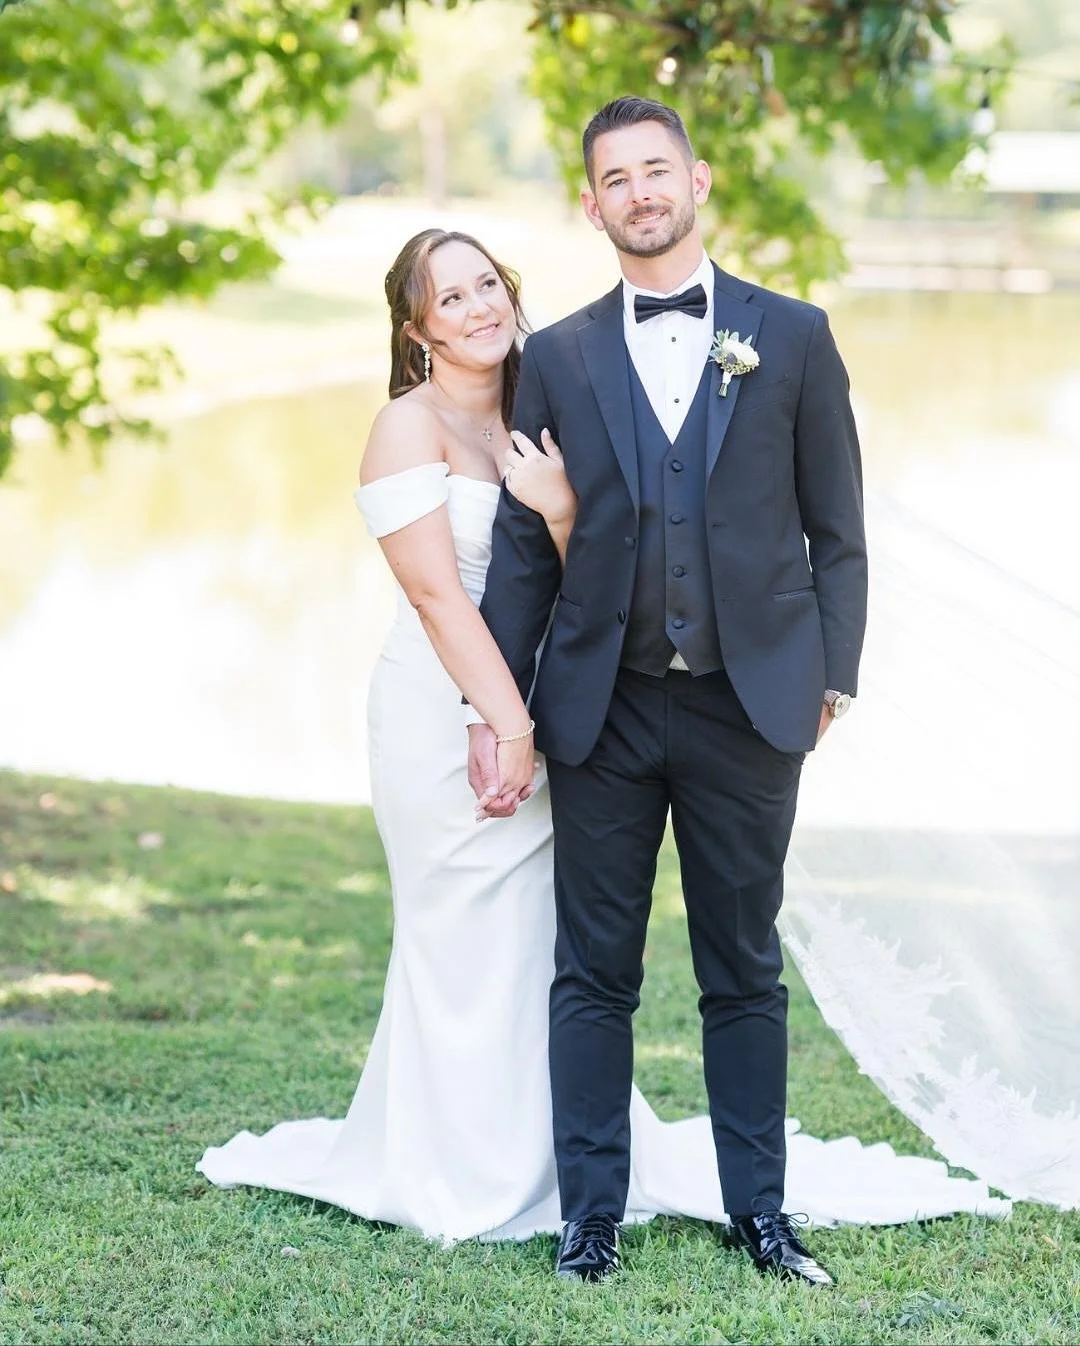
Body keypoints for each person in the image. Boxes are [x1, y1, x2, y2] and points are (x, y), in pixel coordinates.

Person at [195, 222, 1008, 1254]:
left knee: (542, 942)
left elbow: (621, 567)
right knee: (462, 940)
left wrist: (568, 517)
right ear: (416, 328)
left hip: (551, 705)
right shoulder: (406, 428)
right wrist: (504, 722)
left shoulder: (558, 385)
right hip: (453, 710)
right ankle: (457, 1167)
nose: (479, 306)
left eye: (487, 283)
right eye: (451, 297)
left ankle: (557, 1166)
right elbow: (441, 598)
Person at [473, 95, 865, 1285]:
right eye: (615, 177)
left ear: (698, 182)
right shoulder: (554, 357)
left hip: (754, 709)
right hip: (603, 705)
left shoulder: (792, 334)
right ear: (589, 204)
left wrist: (830, 679)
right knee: (593, 970)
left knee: (742, 965)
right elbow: (527, 547)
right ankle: (588, 1216)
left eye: (658, 170)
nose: (639, 192)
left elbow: (837, 532)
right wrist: (500, 713)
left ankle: (763, 1212)